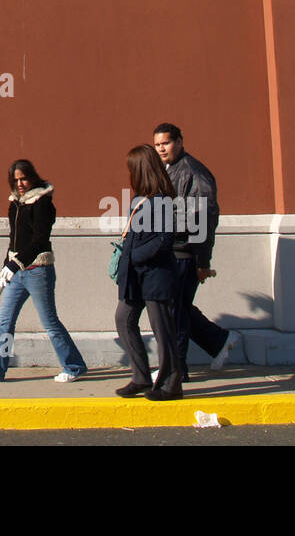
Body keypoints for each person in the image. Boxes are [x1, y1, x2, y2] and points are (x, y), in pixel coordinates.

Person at [0, 159, 88, 383]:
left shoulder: (42, 203)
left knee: (50, 322)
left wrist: (15, 264)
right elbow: (14, 238)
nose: (20, 183)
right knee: (5, 323)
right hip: (17, 272)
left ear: (32, 177)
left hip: (38, 271)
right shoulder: (15, 203)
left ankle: (74, 366)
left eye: (23, 178)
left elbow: (39, 240)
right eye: (15, 180)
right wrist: (6, 264)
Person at [153, 123, 238, 377]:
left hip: (185, 252)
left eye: (166, 143)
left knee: (174, 310)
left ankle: (175, 370)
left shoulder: (194, 172)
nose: (161, 149)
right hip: (173, 251)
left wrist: (202, 262)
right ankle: (218, 341)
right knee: (175, 306)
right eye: (157, 145)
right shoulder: (169, 169)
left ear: (179, 141)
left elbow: (205, 218)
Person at [114, 145, 182, 400]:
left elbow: (164, 240)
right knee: (124, 320)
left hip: (156, 275)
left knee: (162, 329)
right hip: (135, 275)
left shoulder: (162, 201)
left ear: (141, 170)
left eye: (132, 168)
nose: (129, 173)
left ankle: (171, 384)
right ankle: (141, 377)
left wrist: (133, 256)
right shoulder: (138, 199)